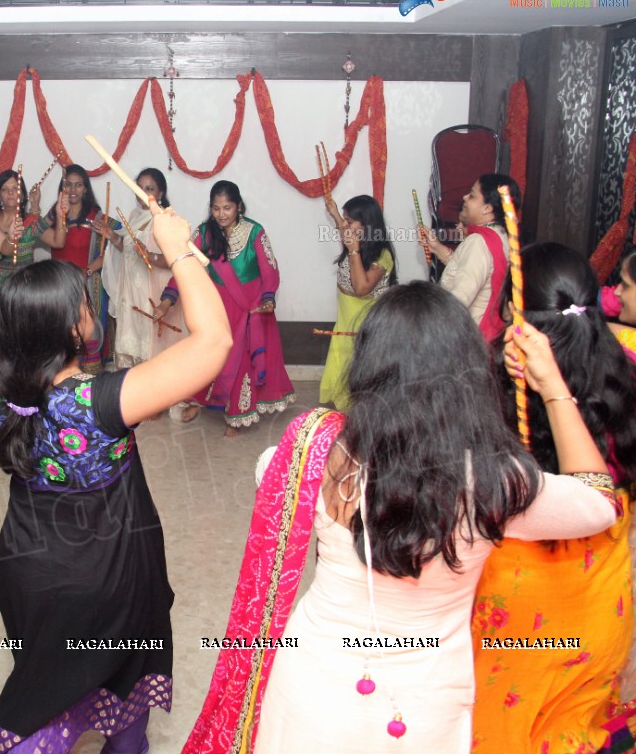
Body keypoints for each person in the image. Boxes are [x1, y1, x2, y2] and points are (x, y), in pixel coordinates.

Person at [184, 281, 622, 753]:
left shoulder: (315, 453)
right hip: (423, 708)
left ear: (368, 369)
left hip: (313, 689)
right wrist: (553, 386)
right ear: (470, 372)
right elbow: (599, 501)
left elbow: (266, 468)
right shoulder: (499, 480)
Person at [0, 208, 232, 754]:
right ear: (74, 328)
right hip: (112, 577)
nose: (93, 309)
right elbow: (213, 345)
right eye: (86, 302)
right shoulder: (104, 400)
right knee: (123, 678)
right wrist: (178, 249)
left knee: (43, 679)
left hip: (29, 572)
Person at [472, 243, 636, 751]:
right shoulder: (624, 366)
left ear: (511, 318)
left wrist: (549, 389)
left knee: (504, 729)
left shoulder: (495, 384)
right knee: (570, 728)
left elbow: (587, 496)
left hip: (519, 609)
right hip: (600, 599)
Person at [155, 180, 293, 436]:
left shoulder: (255, 232)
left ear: (239, 206)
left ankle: (237, 415)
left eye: (227, 208)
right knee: (209, 357)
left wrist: (268, 298)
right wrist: (167, 300)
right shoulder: (204, 233)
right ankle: (200, 402)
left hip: (248, 309)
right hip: (214, 308)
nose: (221, 214)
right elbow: (184, 266)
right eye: (216, 208)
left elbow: (270, 269)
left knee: (241, 362)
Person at [318, 195, 397, 410]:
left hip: (364, 326)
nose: (345, 226)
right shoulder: (356, 239)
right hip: (345, 320)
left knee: (358, 377)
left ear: (366, 225)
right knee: (341, 371)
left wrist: (353, 249)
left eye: (350, 221)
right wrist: (334, 213)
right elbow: (344, 231)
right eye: (345, 219)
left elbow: (362, 288)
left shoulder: (382, 255)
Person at [421, 173, 519, 340]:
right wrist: (437, 247)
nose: (465, 197)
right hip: (494, 331)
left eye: (472, 195)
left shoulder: (478, 242)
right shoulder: (500, 236)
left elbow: (460, 299)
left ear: (487, 208)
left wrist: (427, 325)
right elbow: (469, 270)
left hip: (472, 337)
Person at [43, 164, 120, 372]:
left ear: (86, 189)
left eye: (79, 185)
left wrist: (86, 271)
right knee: (60, 334)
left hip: (87, 286)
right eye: (68, 185)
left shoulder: (96, 217)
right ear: (62, 188)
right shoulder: (55, 214)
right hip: (59, 286)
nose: (73, 190)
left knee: (87, 336)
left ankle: (89, 386)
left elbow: (114, 251)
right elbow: (35, 233)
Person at [105, 167, 175, 368]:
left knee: (148, 336)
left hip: (150, 288)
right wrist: (113, 237)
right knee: (131, 334)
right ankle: (131, 384)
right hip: (131, 289)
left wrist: (150, 255)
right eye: (140, 187)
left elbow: (172, 259)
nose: (143, 193)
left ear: (160, 193)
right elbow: (129, 251)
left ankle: (152, 385)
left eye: (149, 188)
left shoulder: (163, 218)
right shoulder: (135, 215)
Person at [0, 168, 61, 289]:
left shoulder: (30, 222)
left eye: (15, 188)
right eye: (5, 189)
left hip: (22, 290)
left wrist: (60, 215)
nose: (10, 193)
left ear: (23, 194)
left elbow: (58, 242)